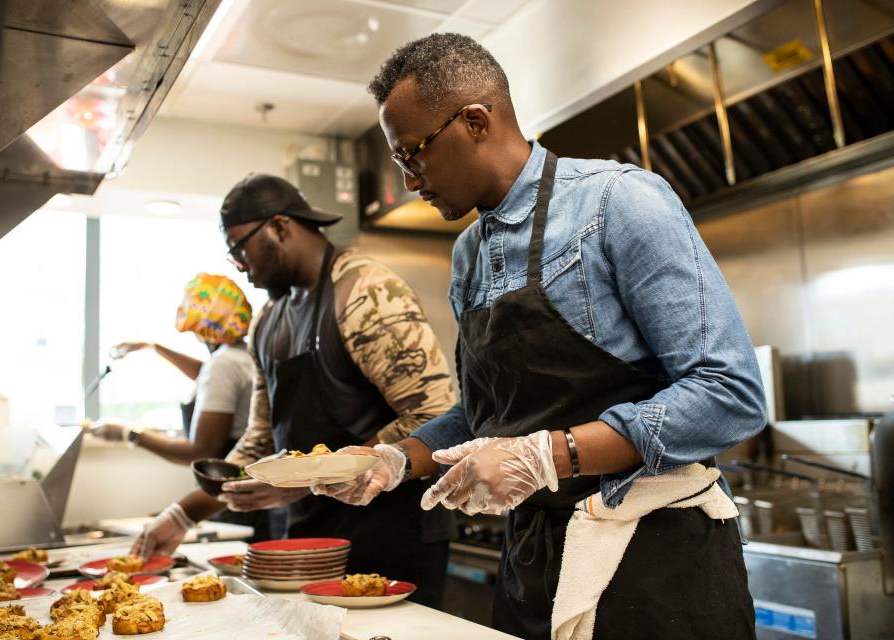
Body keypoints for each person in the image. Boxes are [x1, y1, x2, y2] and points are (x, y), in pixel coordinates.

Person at [313, 34, 767, 639]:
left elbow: (729, 394)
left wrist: (547, 454)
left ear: (476, 121)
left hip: (657, 566)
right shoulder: (469, 255)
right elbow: (484, 417)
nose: (408, 178)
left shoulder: (618, 203)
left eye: (413, 153)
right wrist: (395, 460)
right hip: (535, 564)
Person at [132, 175, 457, 608]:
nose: (240, 265)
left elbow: (433, 417)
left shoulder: (364, 293)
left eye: (239, 249)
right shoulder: (268, 321)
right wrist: (183, 514)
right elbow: (262, 439)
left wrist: (311, 480)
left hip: (391, 533)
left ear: (280, 227)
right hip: (309, 532)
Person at [90, 274, 254, 464]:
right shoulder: (242, 355)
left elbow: (201, 452)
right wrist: (151, 346)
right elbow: (206, 375)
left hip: (229, 480)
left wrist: (129, 433)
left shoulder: (224, 363)